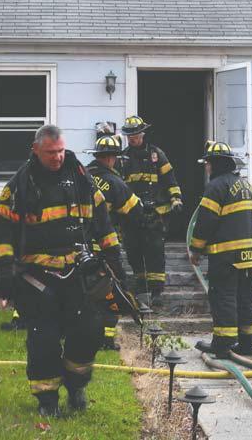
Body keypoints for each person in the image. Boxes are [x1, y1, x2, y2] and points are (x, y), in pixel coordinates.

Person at [0, 125, 122, 417]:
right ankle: (47, 401)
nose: (58, 157)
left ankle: (76, 387)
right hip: (37, 277)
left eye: (61, 151)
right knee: (44, 339)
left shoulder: (81, 178)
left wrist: (114, 261)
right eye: (51, 152)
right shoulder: (20, 186)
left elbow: (102, 221)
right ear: (36, 150)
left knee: (89, 330)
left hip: (77, 273)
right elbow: (1, 234)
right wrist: (5, 278)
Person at [189, 141, 252, 359]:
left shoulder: (216, 187)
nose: (206, 167)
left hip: (227, 256)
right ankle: (247, 344)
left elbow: (205, 221)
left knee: (224, 297)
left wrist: (196, 249)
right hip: (250, 255)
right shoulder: (245, 185)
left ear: (215, 164)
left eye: (208, 163)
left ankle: (223, 345)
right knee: (244, 298)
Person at [85, 135, 143, 350]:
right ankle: (107, 339)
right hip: (104, 247)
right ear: (111, 159)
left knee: (81, 293)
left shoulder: (81, 177)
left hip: (78, 247)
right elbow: (135, 211)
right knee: (111, 290)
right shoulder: (114, 182)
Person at [119, 116, 182, 303]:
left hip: (156, 212)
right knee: (133, 250)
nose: (133, 139)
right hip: (132, 214)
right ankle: (141, 288)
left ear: (142, 134)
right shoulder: (122, 158)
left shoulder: (157, 155)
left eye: (136, 135)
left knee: (155, 251)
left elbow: (170, 179)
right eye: (130, 136)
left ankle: (156, 293)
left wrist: (176, 199)